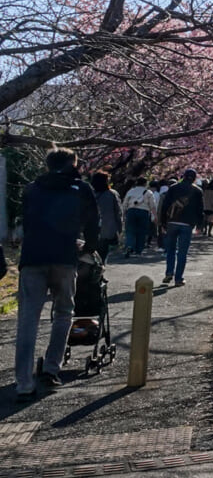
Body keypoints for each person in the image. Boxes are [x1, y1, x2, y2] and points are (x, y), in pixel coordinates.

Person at [14, 148, 99, 402]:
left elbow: (27, 223)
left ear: (47, 164)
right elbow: (94, 222)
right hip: (64, 258)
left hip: (32, 258)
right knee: (63, 314)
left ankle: (24, 384)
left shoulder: (32, 188)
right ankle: (51, 370)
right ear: (72, 163)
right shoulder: (81, 188)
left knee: (28, 321)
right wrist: (90, 247)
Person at [159, 170, 203, 287]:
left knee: (170, 250)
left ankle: (169, 272)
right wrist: (199, 225)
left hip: (172, 222)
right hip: (187, 224)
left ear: (182, 177)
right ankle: (178, 279)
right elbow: (200, 210)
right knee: (182, 252)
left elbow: (165, 205)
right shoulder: (198, 191)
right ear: (194, 178)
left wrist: (163, 223)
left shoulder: (173, 188)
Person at [90, 171, 122, 262]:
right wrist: (119, 228)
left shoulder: (90, 193)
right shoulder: (112, 194)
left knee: (90, 254)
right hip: (107, 229)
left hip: (90, 228)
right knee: (102, 253)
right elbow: (118, 212)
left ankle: (92, 273)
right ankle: (100, 272)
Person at [121, 177, 157, 256]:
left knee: (130, 230)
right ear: (145, 183)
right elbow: (153, 206)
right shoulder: (148, 192)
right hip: (143, 212)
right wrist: (155, 216)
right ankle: (138, 251)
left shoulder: (131, 191)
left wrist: (123, 214)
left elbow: (125, 203)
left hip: (131, 211)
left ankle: (129, 246)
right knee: (142, 232)